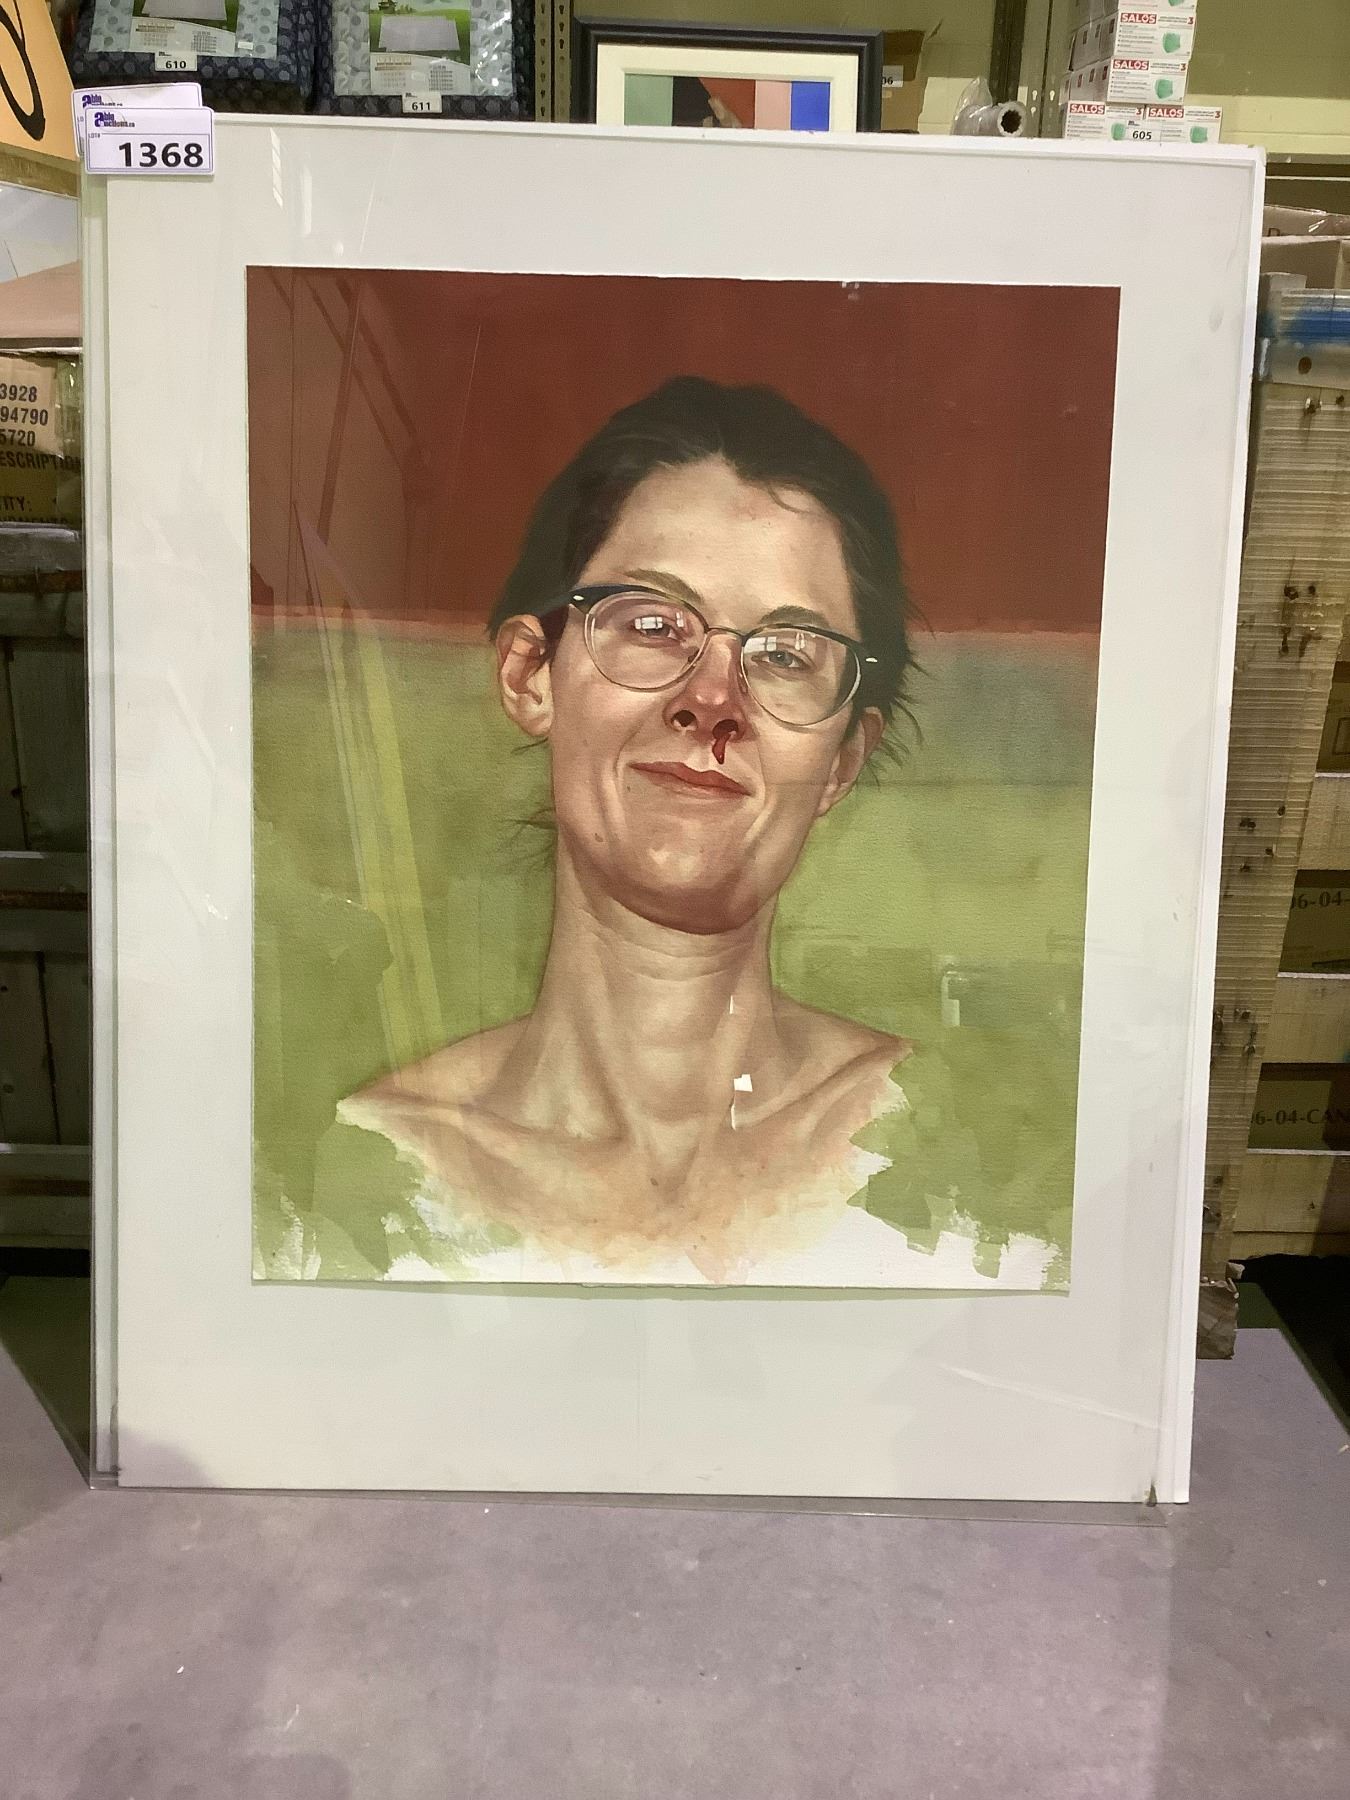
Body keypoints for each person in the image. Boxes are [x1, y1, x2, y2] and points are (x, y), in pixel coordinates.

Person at [341, 376, 921, 1283]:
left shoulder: (932, 1137)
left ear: (843, 758)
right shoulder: (375, 1170)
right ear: (532, 676)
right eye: (653, 624)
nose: (713, 700)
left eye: (784, 655)